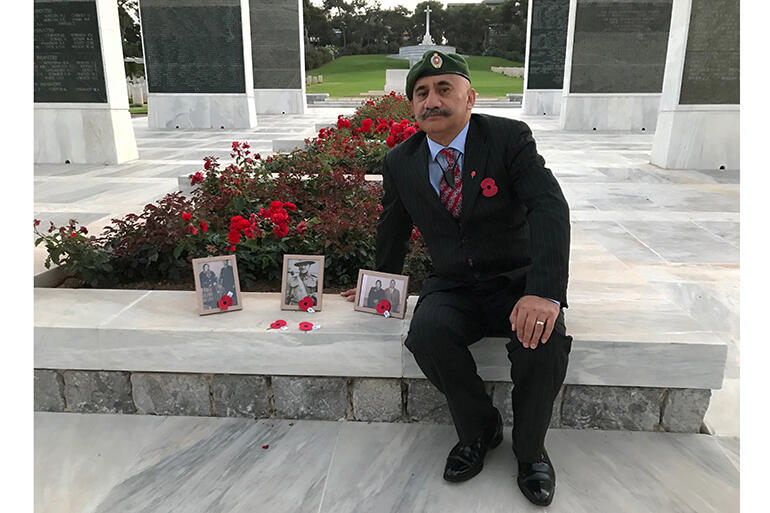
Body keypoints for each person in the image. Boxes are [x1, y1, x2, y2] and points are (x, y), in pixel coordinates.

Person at [341, 50, 572, 507]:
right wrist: (380, 281)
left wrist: (544, 292)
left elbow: (549, 207)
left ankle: (531, 452)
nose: (432, 100)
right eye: (421, 92)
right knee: (427, 334)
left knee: (541, 346)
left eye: (444, 88)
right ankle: (479, 430)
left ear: (470, 97)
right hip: (454, 284)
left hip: (517, 281)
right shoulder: (400, 161)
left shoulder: (507, 138)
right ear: (412, 106)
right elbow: (392, 224)